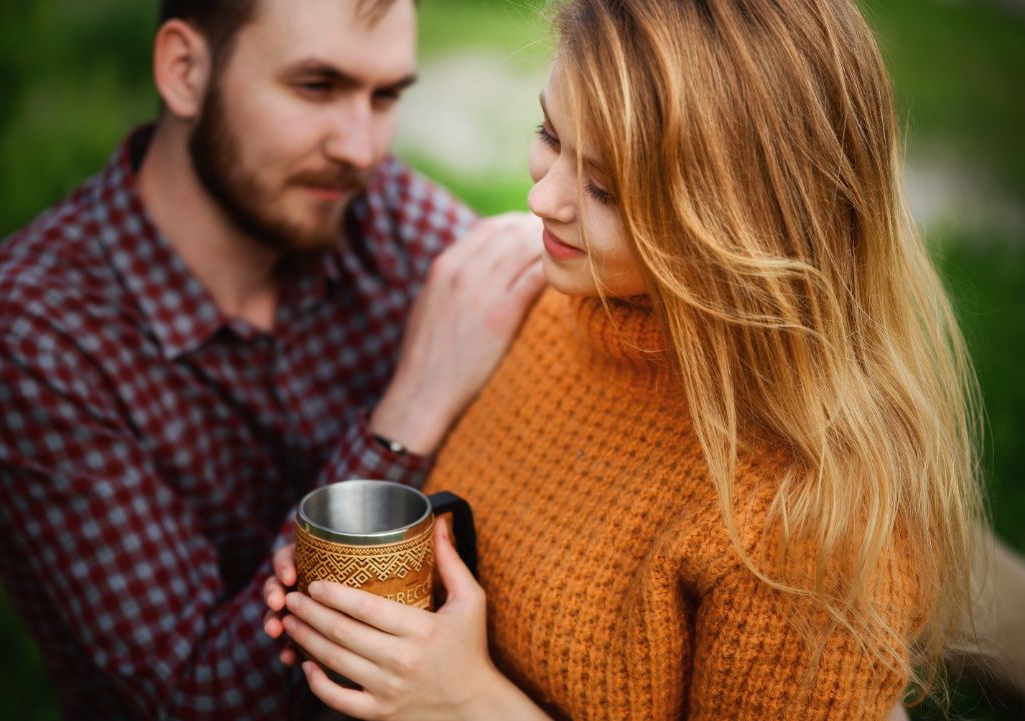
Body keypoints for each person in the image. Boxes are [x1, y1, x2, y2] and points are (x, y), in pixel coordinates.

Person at [265, 0, 988, 718]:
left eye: (605, 189)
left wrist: (466, 701)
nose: (541, 197)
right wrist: (365, 606)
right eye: (550, 134)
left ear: (739, 217)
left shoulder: (800, 519)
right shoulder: (543, 302)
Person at [0, 0, 544, 718]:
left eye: (385, 96)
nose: (362, 147)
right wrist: (409, 412)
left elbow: (552, 326)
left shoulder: (373, 210)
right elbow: (197, 697)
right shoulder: (31, 330)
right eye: (316, 87)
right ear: (185, 70)